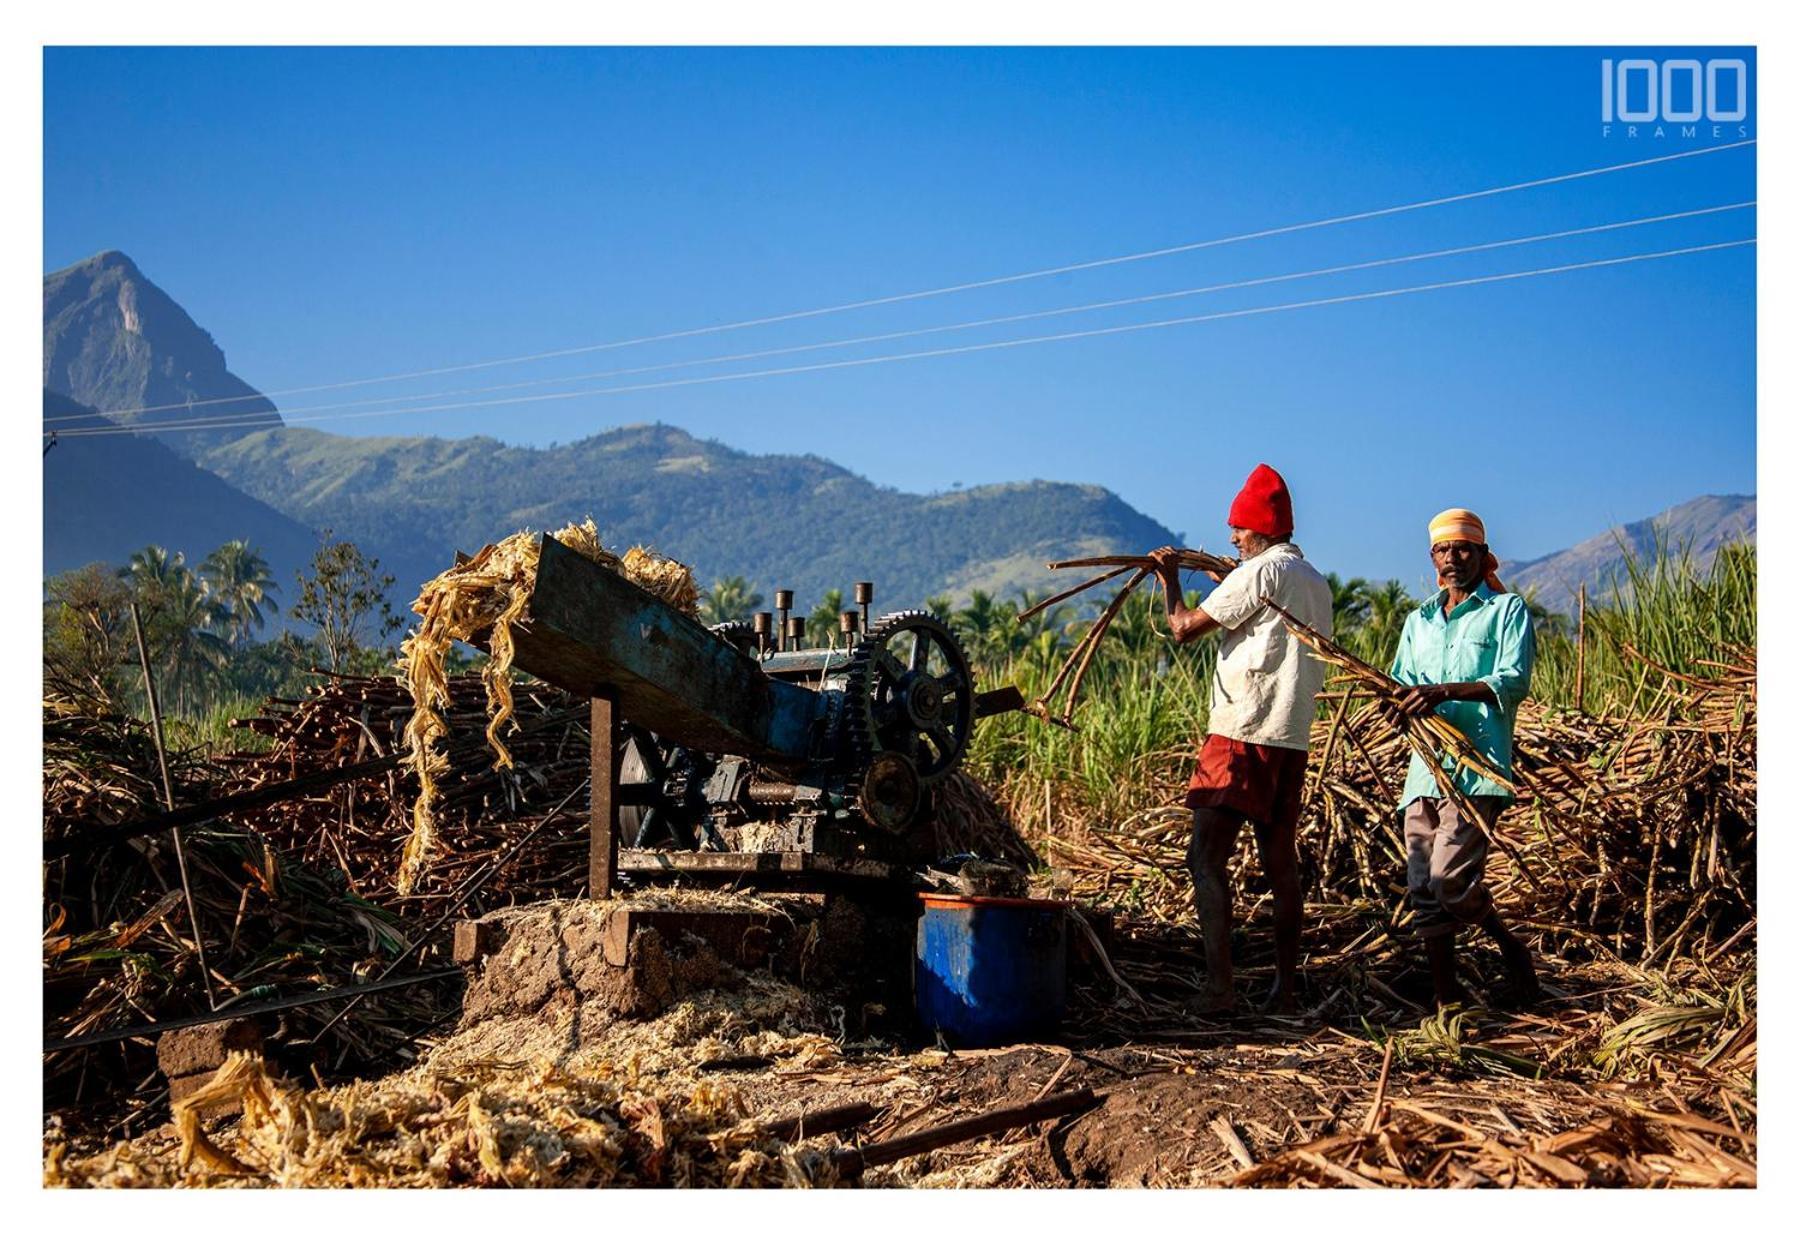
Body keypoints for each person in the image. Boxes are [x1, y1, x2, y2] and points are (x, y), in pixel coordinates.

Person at [1150, 463, 1333, 1014]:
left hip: (1242, 729)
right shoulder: (1316, 582)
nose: (1232, 537)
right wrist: (1229, 582)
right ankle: (1285, 988)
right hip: (1291, 736)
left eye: (1238, 529)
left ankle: (1220, 990)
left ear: (1260, 530)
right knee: (1281, 863)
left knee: (1204, 858)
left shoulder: (1258, 574)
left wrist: (1170, 583)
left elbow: (1183, 629)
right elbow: (1261, 623)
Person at [1387, 508, 1540, 1008]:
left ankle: (1510, 946)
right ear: (1432, 557)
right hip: (1424, 769)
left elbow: (1512, 680)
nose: (1453, 559)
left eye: (1464, 549)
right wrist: (1398, 707)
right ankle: (1446, 997)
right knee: (1421, 884)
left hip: (1477, 768)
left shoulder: (1506, 610)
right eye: (1443, 550)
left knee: (1449, 879)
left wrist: (1444, 691)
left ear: (1481, 554)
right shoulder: (1419, 620)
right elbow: (1401, 682)